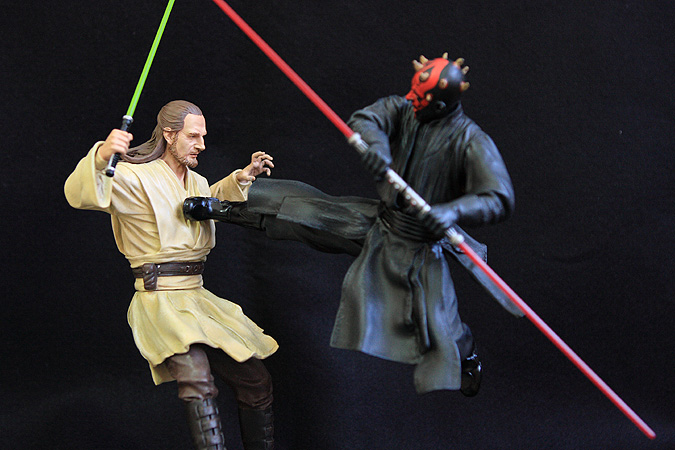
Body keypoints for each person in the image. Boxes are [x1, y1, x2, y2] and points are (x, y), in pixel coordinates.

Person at [184, 54, 522, 396]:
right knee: (304, 214)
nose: (411, 101)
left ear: (441, 103)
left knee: (438, 325)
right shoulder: (408, 107)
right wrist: (377, 146)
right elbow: (367, 118)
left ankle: (466, 357)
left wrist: (451, 211)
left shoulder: (471, 141)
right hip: (380, 222)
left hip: (419, 245)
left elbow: (498, 197)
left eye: (420, 99)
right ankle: (220, 209)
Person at [65, 100, 278, 450]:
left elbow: (202, 204)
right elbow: (80, 194)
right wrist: (103, 156)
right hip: (161, 301)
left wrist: (241, 178)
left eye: (203, 136)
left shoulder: (196, 180)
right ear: (169, 134)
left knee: (256, 380)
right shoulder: (134, 177)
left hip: (198, 298)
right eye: (193, 136)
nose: (201, 144)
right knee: (198, 381)